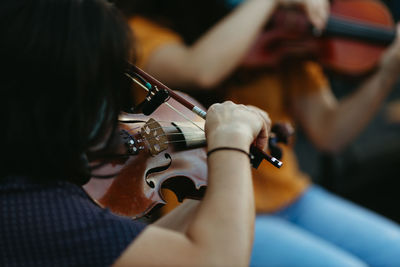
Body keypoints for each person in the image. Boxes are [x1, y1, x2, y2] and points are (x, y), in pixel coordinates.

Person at [114, 0, 400, 265]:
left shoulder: (277, 31)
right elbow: (200, 70)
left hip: (291, 196)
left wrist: (386, 73)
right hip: (208, 211)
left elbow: (329, 133)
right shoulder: (140, 31)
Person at [0, 0, 273, 266]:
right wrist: (231, 143)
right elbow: (218, 261)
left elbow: (141, 249)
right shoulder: (37, 208)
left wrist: (227, 161)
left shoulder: (27, 193)